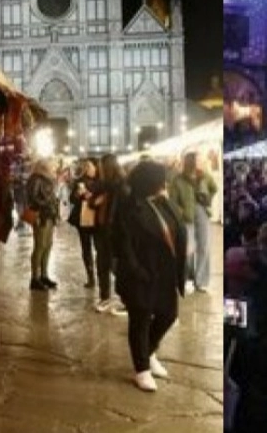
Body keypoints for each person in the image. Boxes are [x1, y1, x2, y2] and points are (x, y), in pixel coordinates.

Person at [115, 159, 187, 392]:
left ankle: (149, 351)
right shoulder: (128, 206)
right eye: (160, 180)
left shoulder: (164, 202)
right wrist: (137, 270)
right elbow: (122, 245)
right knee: (141, 319)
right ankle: (142, 368)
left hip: (164, 272)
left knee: (168, 314)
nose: (164, 183)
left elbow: (178, 226)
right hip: (141, 273)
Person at [168, 151, 218, 293]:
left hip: (202, 211)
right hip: (186, 216)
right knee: (187, 248)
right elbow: (172, 200)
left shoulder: (204, 176)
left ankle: (200, 280)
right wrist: (181, 212)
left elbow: (214, 188)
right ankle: (186, 277)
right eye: (199, 159)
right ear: (191, 161)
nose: (202, 161)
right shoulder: (178, 179)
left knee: (204, 246)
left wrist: (207, 198)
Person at [90, 153, 128, 315]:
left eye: (100, 166)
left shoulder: (121, 185)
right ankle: (105, 297)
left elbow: (124, 209)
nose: (99, 169)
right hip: (102, 228)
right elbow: (92, 199)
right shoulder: (104, 184)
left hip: (114, 231)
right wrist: (94, 202)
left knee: (116, 267)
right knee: (102, 264)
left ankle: (127, 300)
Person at [26, 157, 61, 291]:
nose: (54, 166)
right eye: (51, 164)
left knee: (48, 245)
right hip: (41, 215)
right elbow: (33, 198)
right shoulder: (36, 179)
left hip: (49, 215)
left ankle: (44, 275)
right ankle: (35, 278)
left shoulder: (47, 179)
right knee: (40, 245)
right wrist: (47, 204)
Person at [68, 157, 101, 288]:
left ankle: (101, 274)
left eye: (90, 166)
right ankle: (90, 277)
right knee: (86, 248)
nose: (88, 169)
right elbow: (72, 199)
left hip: (97, 218)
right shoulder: (79, 181)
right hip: (82, 218)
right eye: (86, 166)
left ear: (96, 167)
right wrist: (77, 194)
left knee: (99, 247)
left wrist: (92, 196)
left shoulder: (101, 182)